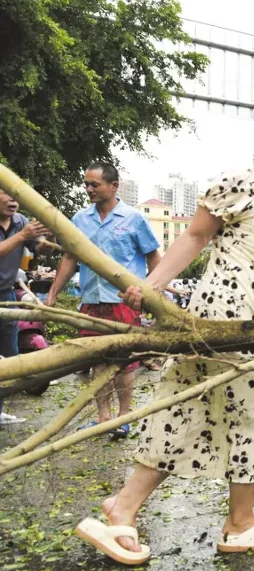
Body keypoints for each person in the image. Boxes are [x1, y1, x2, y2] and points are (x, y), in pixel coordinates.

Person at [72, 115, 254, 565]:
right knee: (249, 413)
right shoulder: (240, 185)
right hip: (216, 316)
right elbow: (194, 238)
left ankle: (134, 508)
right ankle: (229, 521)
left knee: (190, 410)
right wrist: (152, 286)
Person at [46, 162, 161, 438]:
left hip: (124, 302)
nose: (88, 189)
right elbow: (70, 258)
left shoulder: (134, 219)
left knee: (124, 362)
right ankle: (103, 417)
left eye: (94, 184)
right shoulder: (80, 220)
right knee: (98, 360)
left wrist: (154, 297)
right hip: (91, 300)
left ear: (114, 186)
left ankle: (123, 418)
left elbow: (153, 257)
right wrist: (52, 295)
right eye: (86, 184)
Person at [0, 191, 52, 424]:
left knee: (9, 356)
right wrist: (23, 236)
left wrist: (46, 242)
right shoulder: (22, 229)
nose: (13, 200)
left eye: (15, 196)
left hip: (8, 294)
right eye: (6, 195)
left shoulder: (21, 221)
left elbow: (39, 249)